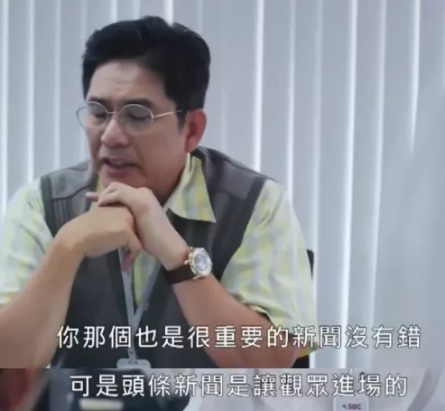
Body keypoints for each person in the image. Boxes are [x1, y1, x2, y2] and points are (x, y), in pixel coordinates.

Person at [0, 15, 317, 368]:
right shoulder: (42, 204)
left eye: (137, 116)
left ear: (191, 129)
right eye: (98, 113)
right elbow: (7, 363)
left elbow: (271, 362)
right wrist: (67, 247)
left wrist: (177, 255)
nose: (110, 136)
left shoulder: (255, 204)